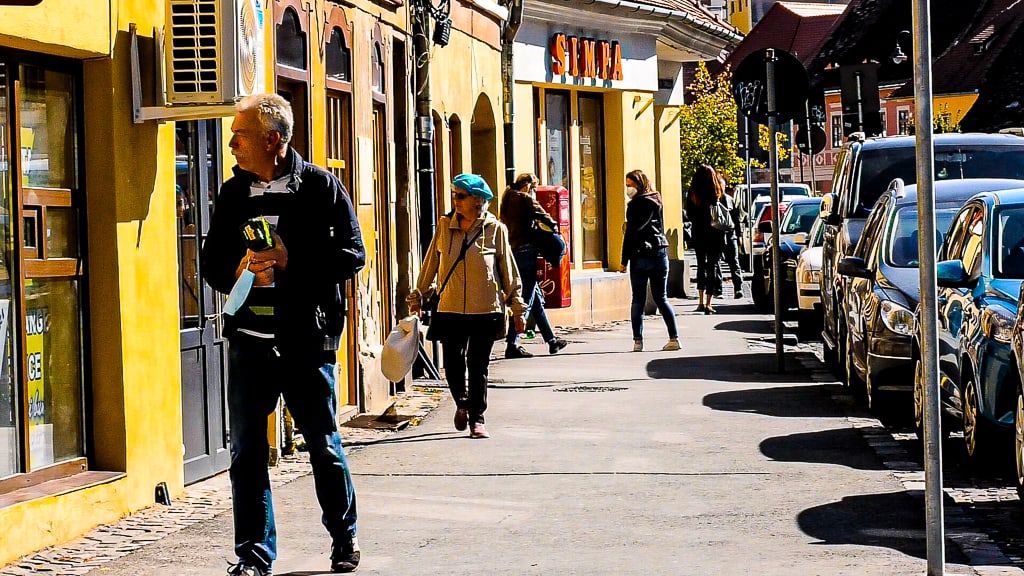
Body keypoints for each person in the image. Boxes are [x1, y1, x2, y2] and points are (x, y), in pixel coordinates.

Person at [200, 94, 366, 576]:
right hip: (250, 340)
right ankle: (254, 554)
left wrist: (291, 262)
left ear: (273, 139)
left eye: (240, 135)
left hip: (305, 340)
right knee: (247, 450)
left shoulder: (320, 187)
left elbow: (352, 255)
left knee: (323, 443)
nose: (231, 144)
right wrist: (238, 271)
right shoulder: (232, 194)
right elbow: (210, 264)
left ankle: (343, 535)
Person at [407, 173, 527, 439]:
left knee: (478, 364)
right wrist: (418, 297)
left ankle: (477, 418)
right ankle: (462, 403)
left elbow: (509, 272)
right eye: (454, 195)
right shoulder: (444, 226)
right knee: (452, 362)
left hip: (486, 309)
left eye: (461, 196)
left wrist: (518, 309)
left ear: (478, 200)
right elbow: (430, 266)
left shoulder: (496, 230)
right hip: (450, 308)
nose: (455, 201)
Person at [499, 173, 569, 359]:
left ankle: (552, 341)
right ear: (528, 186)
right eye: (533, 188)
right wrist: (554, 228)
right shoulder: (524, 198)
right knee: (526, 299)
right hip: (526, 251)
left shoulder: (506, 197)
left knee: (535, 298)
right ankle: (512, 344)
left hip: (512, 249)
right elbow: (543, 215)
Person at [618, 169, 680, 352]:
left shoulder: (635, 205)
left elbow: (630, 234)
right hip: (659, 253)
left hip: (639, 256)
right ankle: (674, 338)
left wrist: (624, 260)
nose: (627, 188)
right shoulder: (656, 200)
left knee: (638, 300)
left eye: (629, 185)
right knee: (661, 298)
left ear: (637, 184)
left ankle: (638, 341)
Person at [687, 164, 729, 314]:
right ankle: (709, 303)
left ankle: (700, 301)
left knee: (700, 265)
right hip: (715, 233)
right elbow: (725, 212)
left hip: (698, 232)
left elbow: (689, 214)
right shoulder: (717, 192)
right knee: (712, 266)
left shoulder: (692, 193)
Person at [718, 176, 744, 299]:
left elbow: (737, 219)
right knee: (716, 263)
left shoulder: (730, 200)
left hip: (730, 235)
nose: (720, 188)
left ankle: (738, 289)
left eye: (722, 186)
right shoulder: (712, 200)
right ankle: (718, 290)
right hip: (716, 236)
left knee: (734, 262)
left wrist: (739, 236)